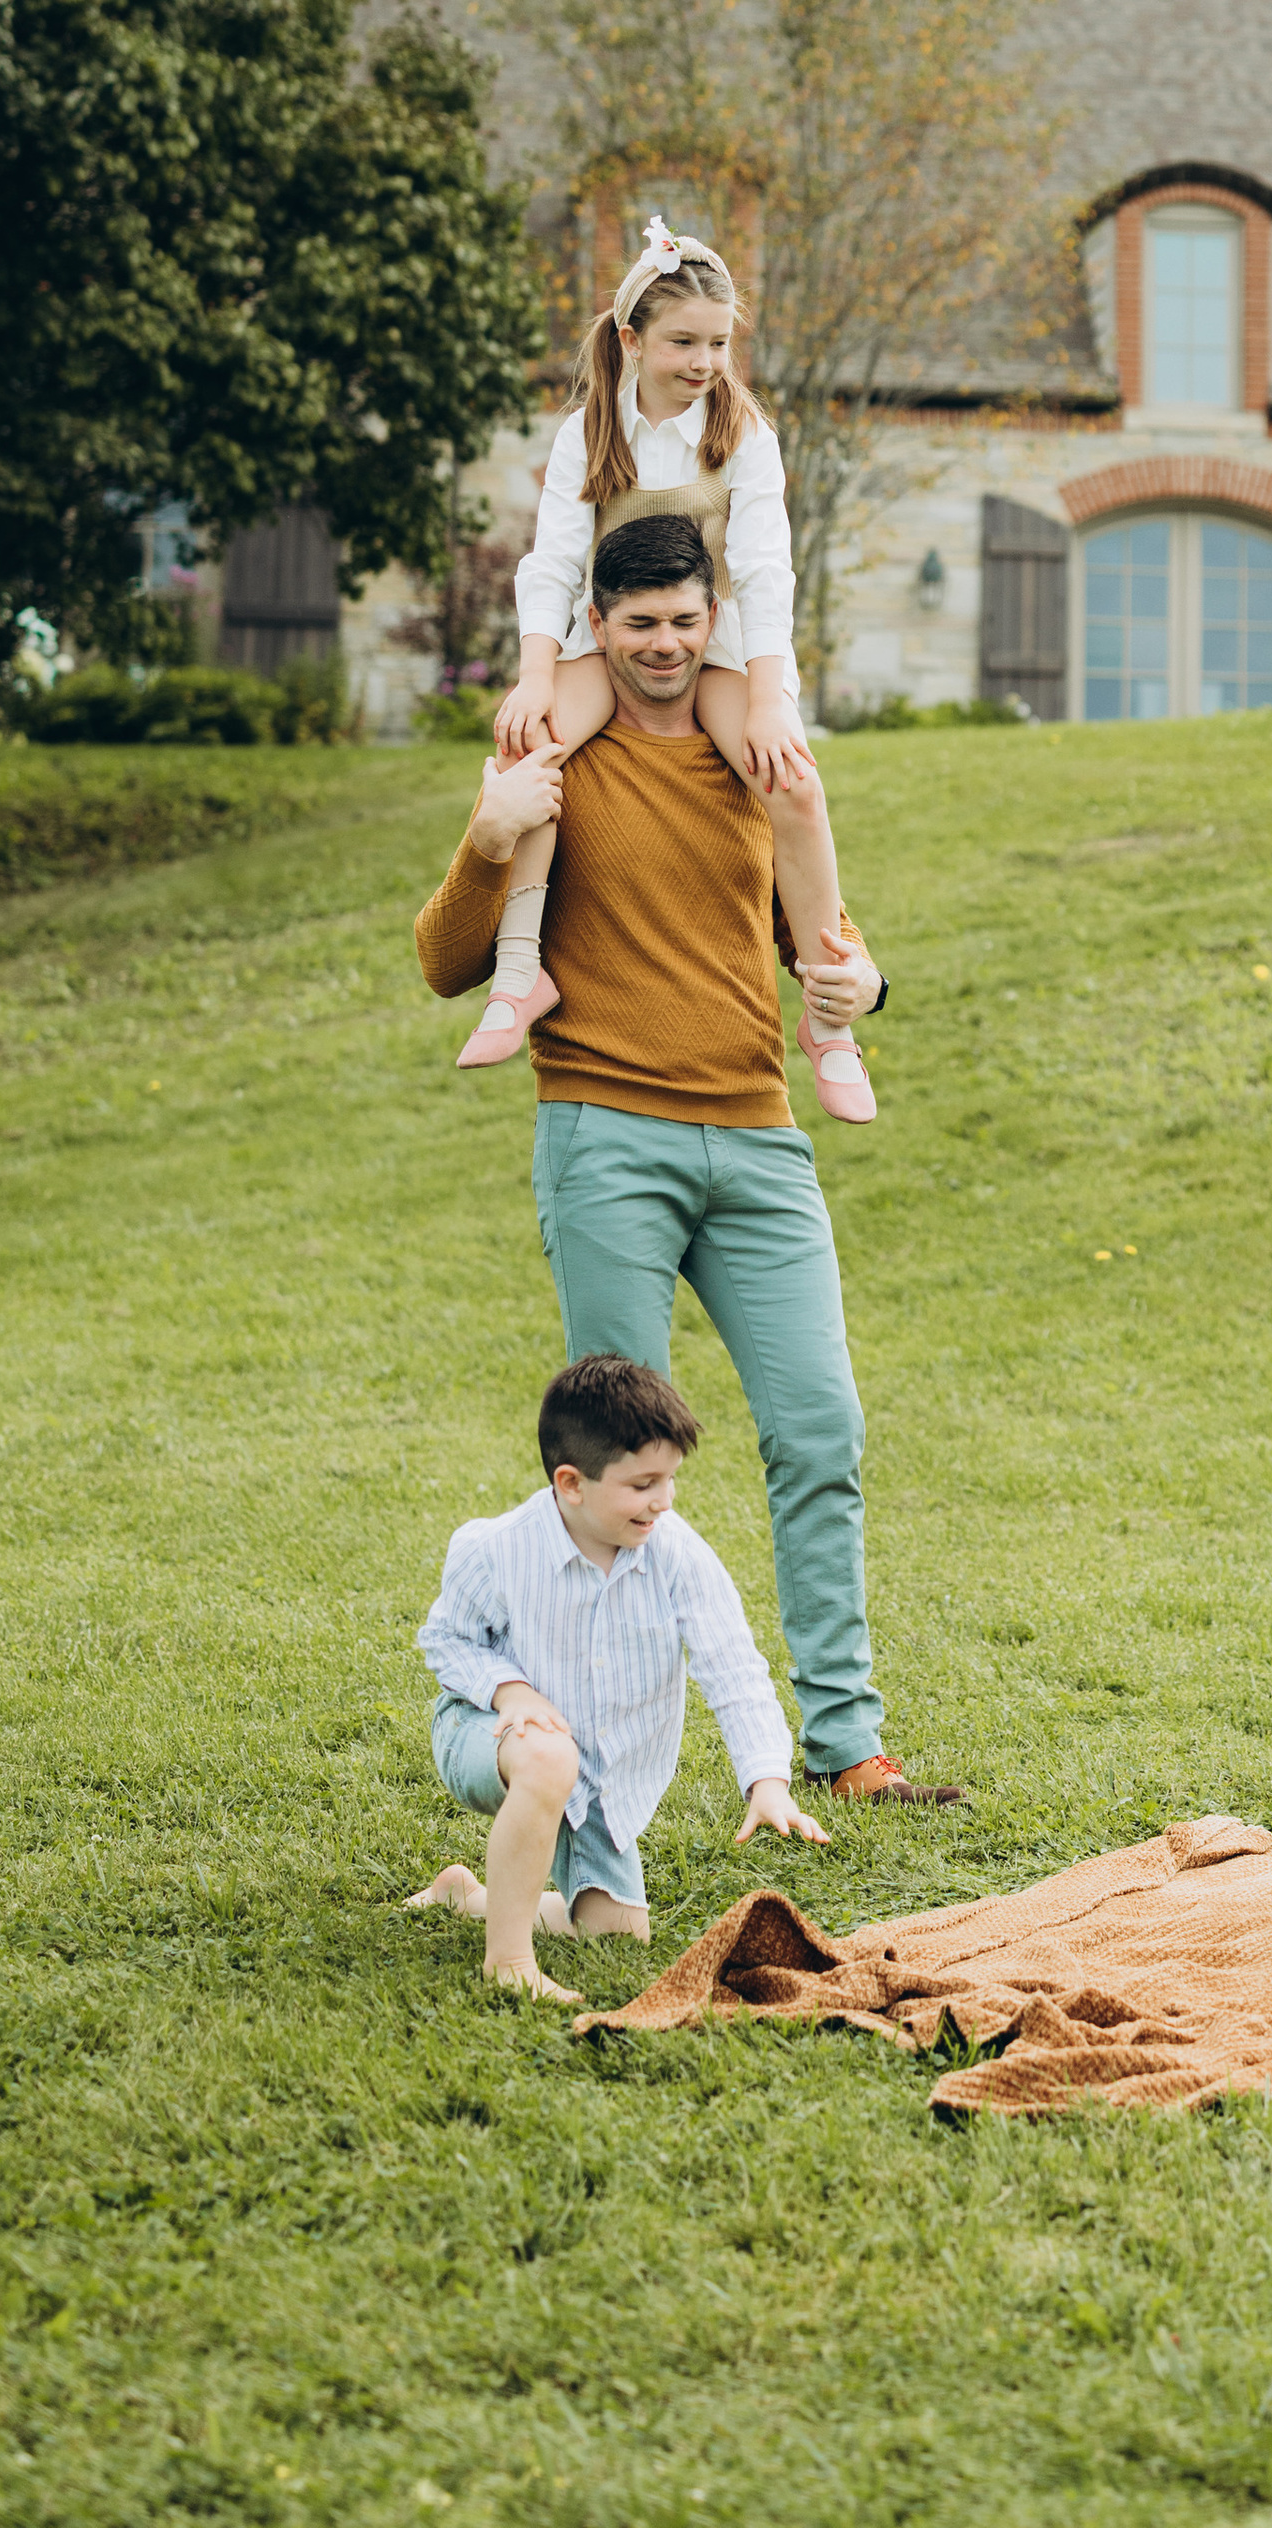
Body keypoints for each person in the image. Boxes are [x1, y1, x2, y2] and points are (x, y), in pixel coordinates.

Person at [412, 508, 961, 1809]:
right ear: (598, 627)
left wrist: (864, 987)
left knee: (820, 1426)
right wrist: (492, 833)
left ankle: (844, 1744)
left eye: (684, 620)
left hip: (759, 1145)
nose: (664, 645)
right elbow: (445, 961)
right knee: (621, 1464)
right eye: (639, 623)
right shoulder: (561, 758)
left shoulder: (747, 756)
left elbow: (825, 940)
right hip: (606, 1137)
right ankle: (599, 1745)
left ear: (715, 621)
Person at [456, 216, 874, 1128]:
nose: (704, 361)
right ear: (631, 340)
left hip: (714, 644)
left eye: (719, 343)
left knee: (794, 788)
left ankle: (831, 1013)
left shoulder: (744, 433)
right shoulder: (588, 432)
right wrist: (535, 676)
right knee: (535, 754)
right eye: (684, 342)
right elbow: (553, 563)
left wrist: (768, 701)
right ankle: (521, 973)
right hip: (605, 639)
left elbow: (765, 574)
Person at [405, 1351, 829, 1999]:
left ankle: (466, 1894)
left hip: (600, 1786)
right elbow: (447, 1642)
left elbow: (734, 1667)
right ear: (571, 1483)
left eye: (670, 1480)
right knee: (549, 1756)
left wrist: (767, 1780)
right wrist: (509, 1690)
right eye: (641, 1485)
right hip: (488, 1728)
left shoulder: (678, 1555)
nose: (662, 1502)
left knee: (615, 1932)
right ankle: (509, 1964)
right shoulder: (495, 1549)